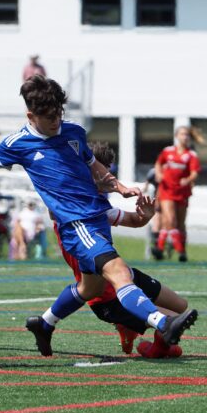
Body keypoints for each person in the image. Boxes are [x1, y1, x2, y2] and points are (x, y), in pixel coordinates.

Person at [0, 74, 197, 356]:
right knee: (118, 273)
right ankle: (161, 323)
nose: (56, 121)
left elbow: (95, 167)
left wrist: (121, 187)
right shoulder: (19, 143)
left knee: (90, 287)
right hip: (75, 224)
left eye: (59, 114)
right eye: (49, 117)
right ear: (31, 115)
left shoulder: (74, 133)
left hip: (96, 217)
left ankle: (45, 323)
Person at [56, 141, 191, 359]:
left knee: (181, 307)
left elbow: (132, 220)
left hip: (126, 277)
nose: (109, 175)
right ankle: (153, 347)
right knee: (172, 322)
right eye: (103, 169)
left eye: (110, 169)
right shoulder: (68, 208)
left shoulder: (99, 205)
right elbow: (56, 210)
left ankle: (131, 330)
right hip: (107, 298)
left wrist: (146, 216)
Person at [153, 125, 201, 262]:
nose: (184, 137)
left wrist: (189, 179)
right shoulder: (167, 151)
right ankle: (162, 249)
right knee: (170, 220)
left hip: (182, 192)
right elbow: (158, 164)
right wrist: (159, 174)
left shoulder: (191, 155)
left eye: (186, 134)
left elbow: (195, 173)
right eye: (182, 134)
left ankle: (181, 250)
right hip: (167, 191)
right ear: (176, 136)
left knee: (180, 224)